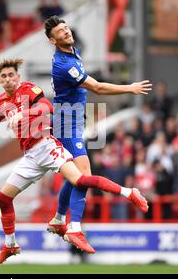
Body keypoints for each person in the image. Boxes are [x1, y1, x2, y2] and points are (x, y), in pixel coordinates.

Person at [0, 59, 148, 265]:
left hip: (47, 146)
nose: (9, 79)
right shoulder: (2, 99)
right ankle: (10, 244)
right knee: (3, 198)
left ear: (18, 77)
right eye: (4, 76)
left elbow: (46, 107)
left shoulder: (29, 89)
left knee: (81, 181)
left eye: (12, 75)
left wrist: (24, 113)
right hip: (30, 156)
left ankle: (129, 192)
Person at [43, 16, 152, 252]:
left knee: (76, 177)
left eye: (66, 28)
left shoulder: (73, 51)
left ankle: (60, 219)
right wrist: (129, 88)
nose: (66, 32)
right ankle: (74, 228)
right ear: (53, 40)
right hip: (66, 122)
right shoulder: (64, 64)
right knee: (84, 176)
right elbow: (97, 87)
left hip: (72, 120)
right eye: (60, 32)